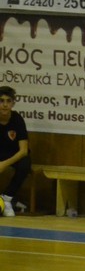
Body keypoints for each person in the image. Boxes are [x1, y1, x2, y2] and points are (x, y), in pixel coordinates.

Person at [0, 86, 31, 217]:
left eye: (8, 101)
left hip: (13, 155)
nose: (5, 105)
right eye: (1, 101)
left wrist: (4, 164)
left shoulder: (17, 119)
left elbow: (23, 150)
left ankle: (7, 198)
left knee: (25, 163)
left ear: (13, 103)